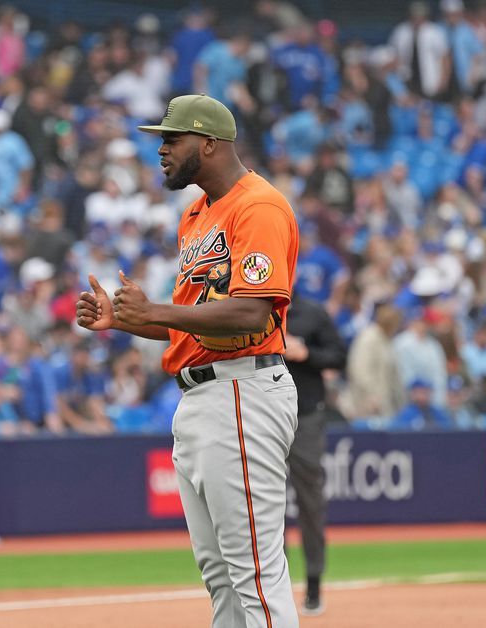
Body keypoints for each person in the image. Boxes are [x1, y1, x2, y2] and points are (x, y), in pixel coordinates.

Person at [78, 94, 301, 627]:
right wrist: (125, 319)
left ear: (209, 143)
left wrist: (156, 308)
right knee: (220, 575)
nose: (161, 149)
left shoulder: (258, 206)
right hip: (202, 395)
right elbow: (187, 319)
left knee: (254, 572)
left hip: (243, 393)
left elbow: (250, 312)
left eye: (171, 139)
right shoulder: (197, 214)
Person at [283, 294, 347, 616]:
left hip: (305, 414)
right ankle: (271, 588)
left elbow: (339, 356)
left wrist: (306, 352)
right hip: (260, 416)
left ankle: (313, 585)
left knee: (310, 501)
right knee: (265, 507)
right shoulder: (250, 308)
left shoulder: (312, 312)